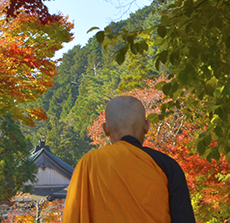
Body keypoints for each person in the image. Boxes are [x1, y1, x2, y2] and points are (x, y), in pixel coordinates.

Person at [62, 95, 196, 223]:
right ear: (147, 126)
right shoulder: (167, 166)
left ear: (105, 129)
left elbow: (73, 215)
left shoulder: (89, 163)